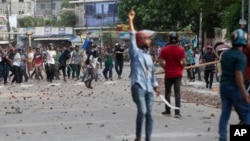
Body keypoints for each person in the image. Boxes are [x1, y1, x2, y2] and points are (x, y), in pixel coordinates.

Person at [128, 10, 160, 141]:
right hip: (138, 86)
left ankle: (148, 138)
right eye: (147, 38)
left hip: (148, 89)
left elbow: (152, 74)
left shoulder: (149, 57)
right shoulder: (134, 52)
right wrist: (131, 20)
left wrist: (156, 85)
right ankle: (138, 136)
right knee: (143, 111)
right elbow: (131, 35)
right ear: (141, 40)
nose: (150, 40)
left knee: (149, 115)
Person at [219, 28, 250, 141]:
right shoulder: (241, 56)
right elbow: (238, 75)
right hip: (236, 87)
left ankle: (222, 138)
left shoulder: (225, 54)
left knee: (225, 114)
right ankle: (241, 136)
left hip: (224, 86)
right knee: (247, 111)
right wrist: (244, 92)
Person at [159, 32, 186, 118]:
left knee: (168, 92)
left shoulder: (164, 49)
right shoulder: (181, 50)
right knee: (177, 92)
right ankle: (177, 113)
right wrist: (181, 67)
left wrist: (165, 68)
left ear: (169, 39)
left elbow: (161, 62)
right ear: (177, 39)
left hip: (168, 74)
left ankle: (167, 110)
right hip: (178, 74)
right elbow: (184, 62)